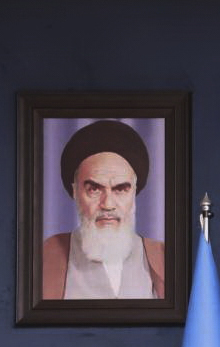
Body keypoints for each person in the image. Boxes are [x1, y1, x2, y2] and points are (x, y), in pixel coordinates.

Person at [43, 120, 164, 300]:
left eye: (120, 189)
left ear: (134, 192)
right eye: (94, 189)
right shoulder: (46, 257)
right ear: (76, 192)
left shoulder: (164, 259)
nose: (107, 204)